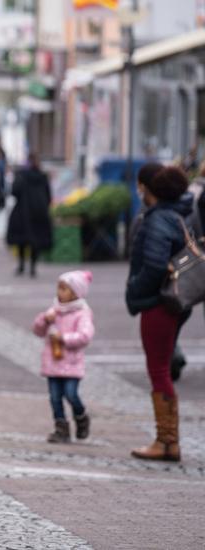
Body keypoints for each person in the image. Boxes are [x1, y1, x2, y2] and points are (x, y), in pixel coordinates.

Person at [126, 166, 193, 462]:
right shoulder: (175, 216)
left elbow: (153, 265)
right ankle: (167, 440)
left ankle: (167, 441)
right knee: (161, 368)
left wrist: (135, 289)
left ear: (146, 188)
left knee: (158, 370)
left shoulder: (157, 221)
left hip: (158, 303)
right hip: (169, 303)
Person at [33, 271, 95, 443]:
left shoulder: (82, 313)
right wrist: (45, 319)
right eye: (58, 288)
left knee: (71, 394)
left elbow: (85, 336)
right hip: (52, 362)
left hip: (71, 363)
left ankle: (81, 417)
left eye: (64, 289)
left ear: (76, 292)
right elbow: (37, 330)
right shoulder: (54, 311)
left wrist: (64, 339)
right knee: (54, 397)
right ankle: (61, 428)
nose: (59, 292)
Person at [6, 153, 53, 278]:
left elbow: (14, 192)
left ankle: (21, 265)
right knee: (35, 240)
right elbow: (48, 195)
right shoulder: (43, 176)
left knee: (22, 240)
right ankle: (33, 266)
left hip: (23, 211)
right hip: (39, 212)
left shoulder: (21, 175)